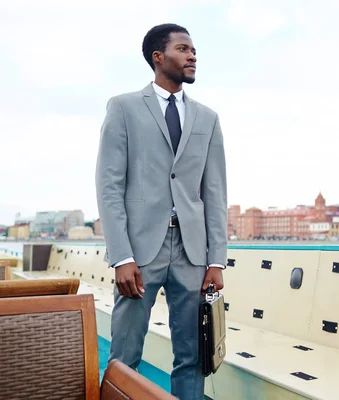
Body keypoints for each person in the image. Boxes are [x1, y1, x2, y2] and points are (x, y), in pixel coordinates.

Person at [95, 23, 227, 400]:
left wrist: (215, 260)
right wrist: (121, 255)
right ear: (158, 56)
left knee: (192, 358)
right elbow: (109, 186)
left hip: (192, 252)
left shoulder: (208, 118)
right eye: (183, 49)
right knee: (124, 357)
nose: (193, 56)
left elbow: (214, 193)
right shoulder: (123, 108)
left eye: (193, 50)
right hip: (139, 251)